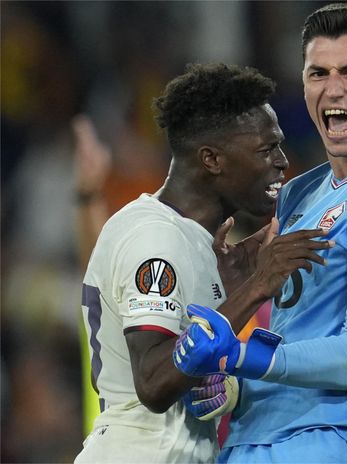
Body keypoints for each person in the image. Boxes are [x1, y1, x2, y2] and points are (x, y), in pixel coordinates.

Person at [172, 4, 347, 463]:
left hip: (338, 442)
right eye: (318, 73)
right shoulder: (302, 192)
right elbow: (295, 334)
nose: (333, 89)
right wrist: (234, 387)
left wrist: (239, 358)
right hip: (255, 439)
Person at [76, 62, 333, 463]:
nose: (282, 161)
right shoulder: (154, 238)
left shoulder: (194, 242)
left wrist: (224, 294)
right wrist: (254, 288)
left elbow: (185, 358)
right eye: (266, 149)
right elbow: (154, 382)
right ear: (212, 159)